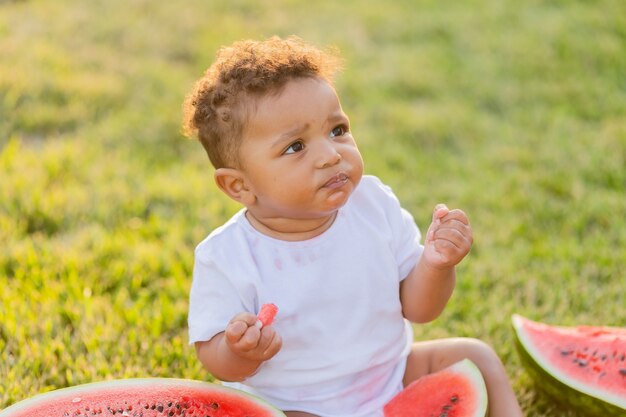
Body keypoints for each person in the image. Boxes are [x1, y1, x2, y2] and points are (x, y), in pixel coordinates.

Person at [183, 36, 522, 417]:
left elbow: (419, 308)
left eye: (337, 130)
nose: (331, 155)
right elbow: (212, 356)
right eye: (295, 147)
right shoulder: (225, 256)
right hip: (295, 405)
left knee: (475, 357)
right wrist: (237, 351)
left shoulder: (373, 205)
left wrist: (436, 264)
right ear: (239, 185)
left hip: (391, 377)